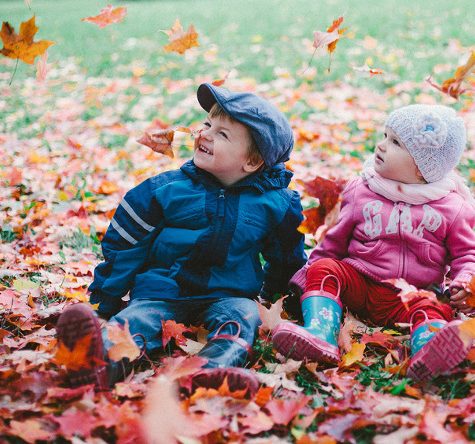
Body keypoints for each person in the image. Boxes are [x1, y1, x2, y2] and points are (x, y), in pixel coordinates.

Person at [56, 83, 307, 395]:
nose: (204, 134)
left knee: (244, 318)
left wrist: (282, 299)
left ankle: (212, 371)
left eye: (223, 134)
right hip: (162, 291)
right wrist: (106, 299)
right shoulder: (165, 190)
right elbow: (125, 244)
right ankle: (96, 365)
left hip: (228, 294)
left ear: (252, 163)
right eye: (206, 125)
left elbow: (286, 257)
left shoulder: (276, 204)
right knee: (134, 322)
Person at [272, 104, 475, 381]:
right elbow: (335, 240)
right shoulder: (361, 191)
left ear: (423, 168)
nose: (381, 145)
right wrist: (309, 273)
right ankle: (320, 334)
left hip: (408, 298)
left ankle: (428, 350)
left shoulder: (452, 208)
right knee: (325, 268)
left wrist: (467, 284)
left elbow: (469, 255)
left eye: (395, 142)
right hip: (358, 284)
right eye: (385, 136)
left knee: (434, 304)